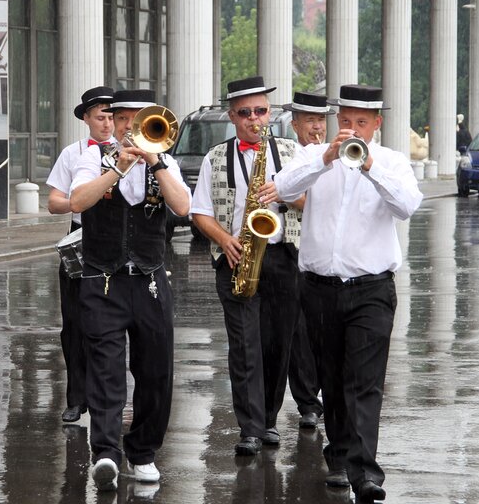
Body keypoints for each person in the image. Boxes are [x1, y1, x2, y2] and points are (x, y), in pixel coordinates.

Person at [275, 84, 422, 503]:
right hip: (318, 289)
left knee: (364, 382)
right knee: (332, 379)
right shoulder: (313, 156)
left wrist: (371, 167)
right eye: (347, 121)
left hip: (372, 289)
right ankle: (339, 454)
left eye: (362, 122)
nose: (352, 128)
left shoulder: (391, 161)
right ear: (339, 122)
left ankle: (365, 476)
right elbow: (284, 189)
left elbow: (407, 206)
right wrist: (324, 159)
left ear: (376, 124)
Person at [68, 89, 191, 491]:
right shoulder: (93, 158)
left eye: (141, 120)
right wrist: (117, 168)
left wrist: (154, 160)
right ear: (115, 122)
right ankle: (105, 453)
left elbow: (184, 207)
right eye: (124, 120)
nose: (132, 128)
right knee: (105, 371)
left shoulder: (165, 161)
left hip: (150, 281)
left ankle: (142, 453)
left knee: (156, 372)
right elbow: (77, 202)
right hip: (102, 279)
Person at [189, 76, 302, 456]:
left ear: (269, 113)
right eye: (245, 113)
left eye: (261, 111)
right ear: (231, 116)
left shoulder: (291, 150)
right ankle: (250, 428)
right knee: (244, 347)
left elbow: (313, 200)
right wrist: (223, 239)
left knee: (276, 344)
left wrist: (285, 192)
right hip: (235, 257)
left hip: (283, 255)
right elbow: (199, 211)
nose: (254, 119)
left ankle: (269, 419)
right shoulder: (216, 157)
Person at [46, 86, 115, 423]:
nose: (107, 123)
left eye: (112, 116)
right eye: (100, 117)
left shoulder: (129, 149)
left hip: (116, 239)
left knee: (112, 323)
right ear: (86, 119)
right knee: (74, 322)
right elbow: (53, 202)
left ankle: (107, 396)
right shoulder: (72, 154)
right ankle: (76, 399)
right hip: (79, 236)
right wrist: (79, 200)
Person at [281, 91, 333, 430]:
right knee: (298, 331)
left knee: (327, 328)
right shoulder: (287, 153)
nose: (316, 127)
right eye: (309, 121)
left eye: (320, 121)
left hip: (327, 251)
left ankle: (326, 394)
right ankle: (307, 402)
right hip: (291, 248)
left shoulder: (340, 154)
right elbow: (291, 194)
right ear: (295, 123)